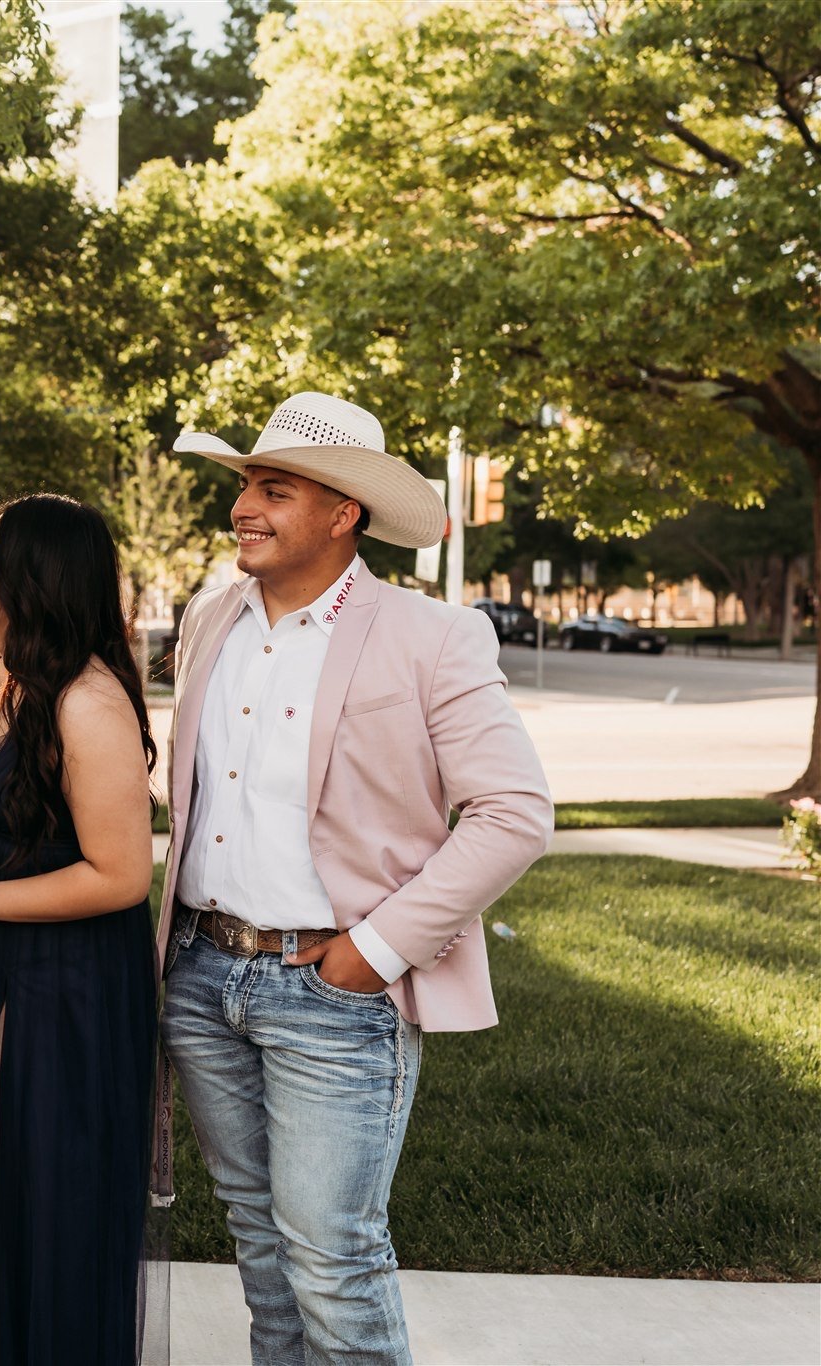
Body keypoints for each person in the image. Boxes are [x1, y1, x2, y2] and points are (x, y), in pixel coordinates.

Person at [162, 392, 552, 1364]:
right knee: (256, 1242)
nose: (241, 507)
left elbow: (512, 813)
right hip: (203, 977)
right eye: (244, 484)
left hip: (334, 991)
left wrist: (371, 953)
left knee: (332, 1255)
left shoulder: (431, 636)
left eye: (272, 488)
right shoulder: (210, 618)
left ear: (342, 514)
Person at [0, 494, 164, 1364]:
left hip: (64, 982)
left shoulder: (89, 701)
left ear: (32, 574)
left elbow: (122, 875)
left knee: (44, 1203)